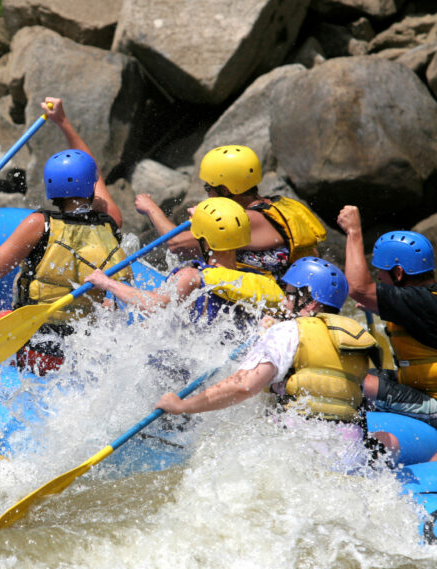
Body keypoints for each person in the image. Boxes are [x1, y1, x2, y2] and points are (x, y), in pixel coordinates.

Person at [0, 97, 133, 375]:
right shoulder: (111, 220)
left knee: (3, 318)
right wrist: (63, 123)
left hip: (40, 351)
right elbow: (93, 171)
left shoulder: (39, 224)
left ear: (51, 188)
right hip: (87, 350)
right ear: (90, 185)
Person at [154, 257, 389, 462]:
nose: (283, 302)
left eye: (289, 294)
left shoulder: (288, 331)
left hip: (299, 449)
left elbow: (243, 385)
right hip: (351, 450)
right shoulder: (355, 336)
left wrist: (183, 406)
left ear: (310, 302)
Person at [85, 197, 285, 331]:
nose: (190, 210)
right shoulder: (257, 278)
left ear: (204, 241)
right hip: (217, 353)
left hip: (181, 366)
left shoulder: (191, 276)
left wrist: (106, 283)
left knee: (120, 283)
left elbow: (156, 307)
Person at [135, 145, 326, 276]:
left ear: (225, 190)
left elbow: (177, 245)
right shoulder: (280, 206)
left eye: (208, 188)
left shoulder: (246, 220)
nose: (207, 194)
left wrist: (151, 209)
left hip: (267, 309)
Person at [337, 205, 437, 430]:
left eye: (381, 273)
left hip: (434, 404)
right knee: (350, 369)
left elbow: (359, 288)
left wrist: (354, 232)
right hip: (421, 391)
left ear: (399, 273)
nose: (378, 279)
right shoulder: (424, 300)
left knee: (357, 381)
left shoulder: (421, 301)